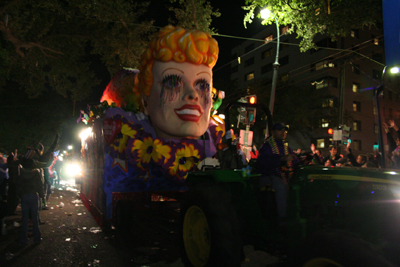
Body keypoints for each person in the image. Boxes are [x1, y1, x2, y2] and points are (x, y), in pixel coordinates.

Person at [257, 122, 298, 222]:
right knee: (280, 186)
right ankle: (282, 218)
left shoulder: (287, 147)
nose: (283, 132)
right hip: (269, 175)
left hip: (285, 175)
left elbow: (294, 161)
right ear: (273, 132)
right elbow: (264, 162)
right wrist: (281, 159)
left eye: (284, 130)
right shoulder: (267, 147)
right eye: (280, 130)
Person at [18, 158, 44, 246]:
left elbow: (19, 184)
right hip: (33, 195)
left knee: (25, 218)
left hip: (24, 196)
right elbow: (39, 184)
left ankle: (24, 239)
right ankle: (37, 238)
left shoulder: (20, 172)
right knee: (34, 217)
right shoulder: (36, 172)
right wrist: (42, 195)